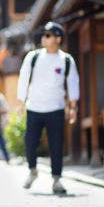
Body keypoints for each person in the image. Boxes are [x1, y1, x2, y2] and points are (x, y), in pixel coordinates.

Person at [17, 21, 80, 194]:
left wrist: (73, 107)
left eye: (48, 35)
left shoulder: (66, 60)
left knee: (56, 145)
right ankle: (32, 170)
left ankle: (57, 180)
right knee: (30, 141)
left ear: (58, 38)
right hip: (35, 107)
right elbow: (23, 78)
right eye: (43, 35)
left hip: (56, 107)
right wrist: (20, 102)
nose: (44, 38)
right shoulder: (34, 57)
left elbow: (73, 83)